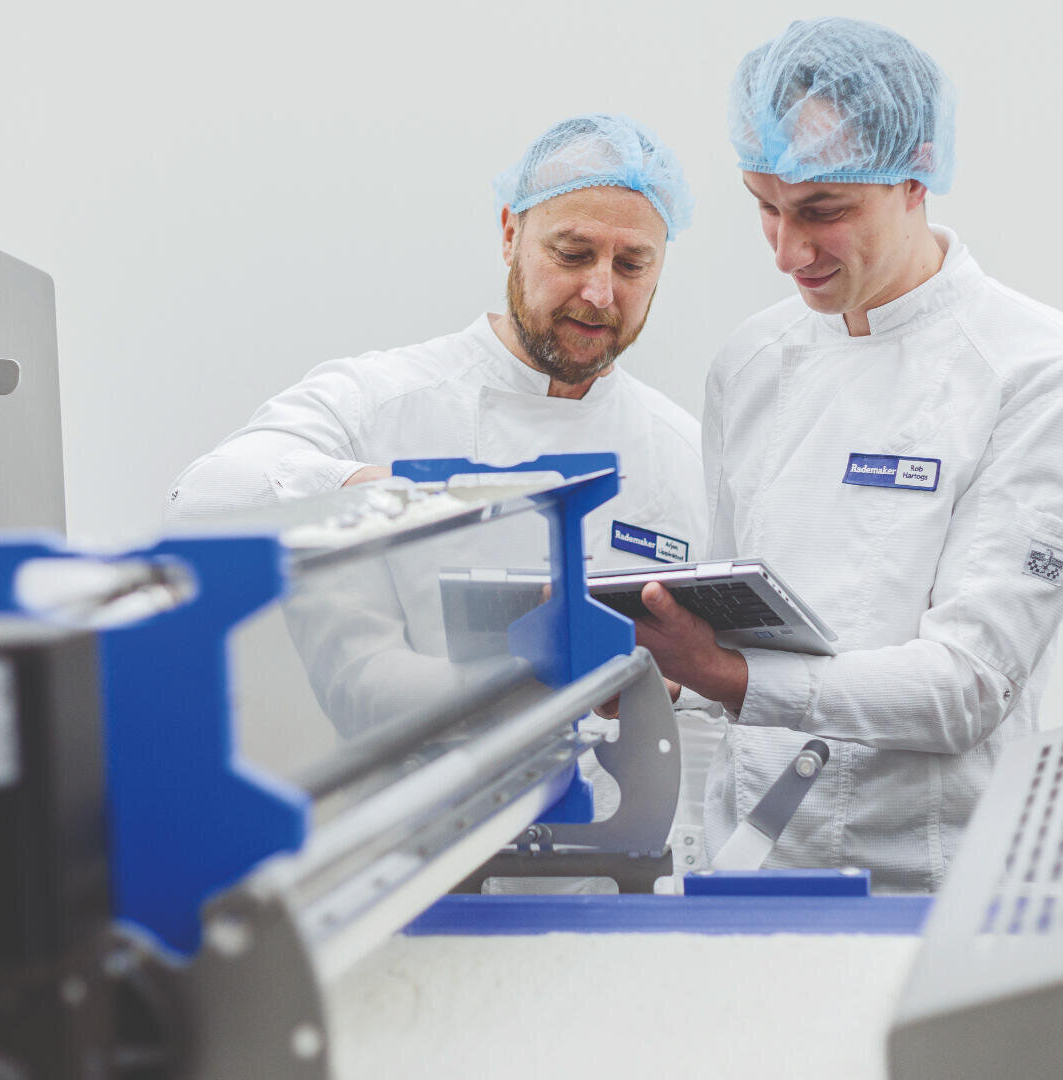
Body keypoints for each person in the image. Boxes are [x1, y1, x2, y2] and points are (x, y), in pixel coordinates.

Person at [626, 18, 1063, 891]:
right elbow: (729, 632)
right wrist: (653, 669)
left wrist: (725, 673)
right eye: (765, 208)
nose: (787, 252)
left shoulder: (1041, 373)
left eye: (823, 212)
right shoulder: (751, 364)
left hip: (935, 888)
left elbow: (965, 686)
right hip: (746, 877)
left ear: (916, 174)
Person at [166, 114, 718, 865]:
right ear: (508, 235)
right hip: (407, 869)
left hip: (607, 881)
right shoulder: (384, 402)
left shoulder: (684, 451)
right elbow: (203, 496)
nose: (598, 291)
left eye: (632, 265)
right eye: (573, 252)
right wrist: (385, 488)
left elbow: (712, 695)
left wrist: (664, 683)